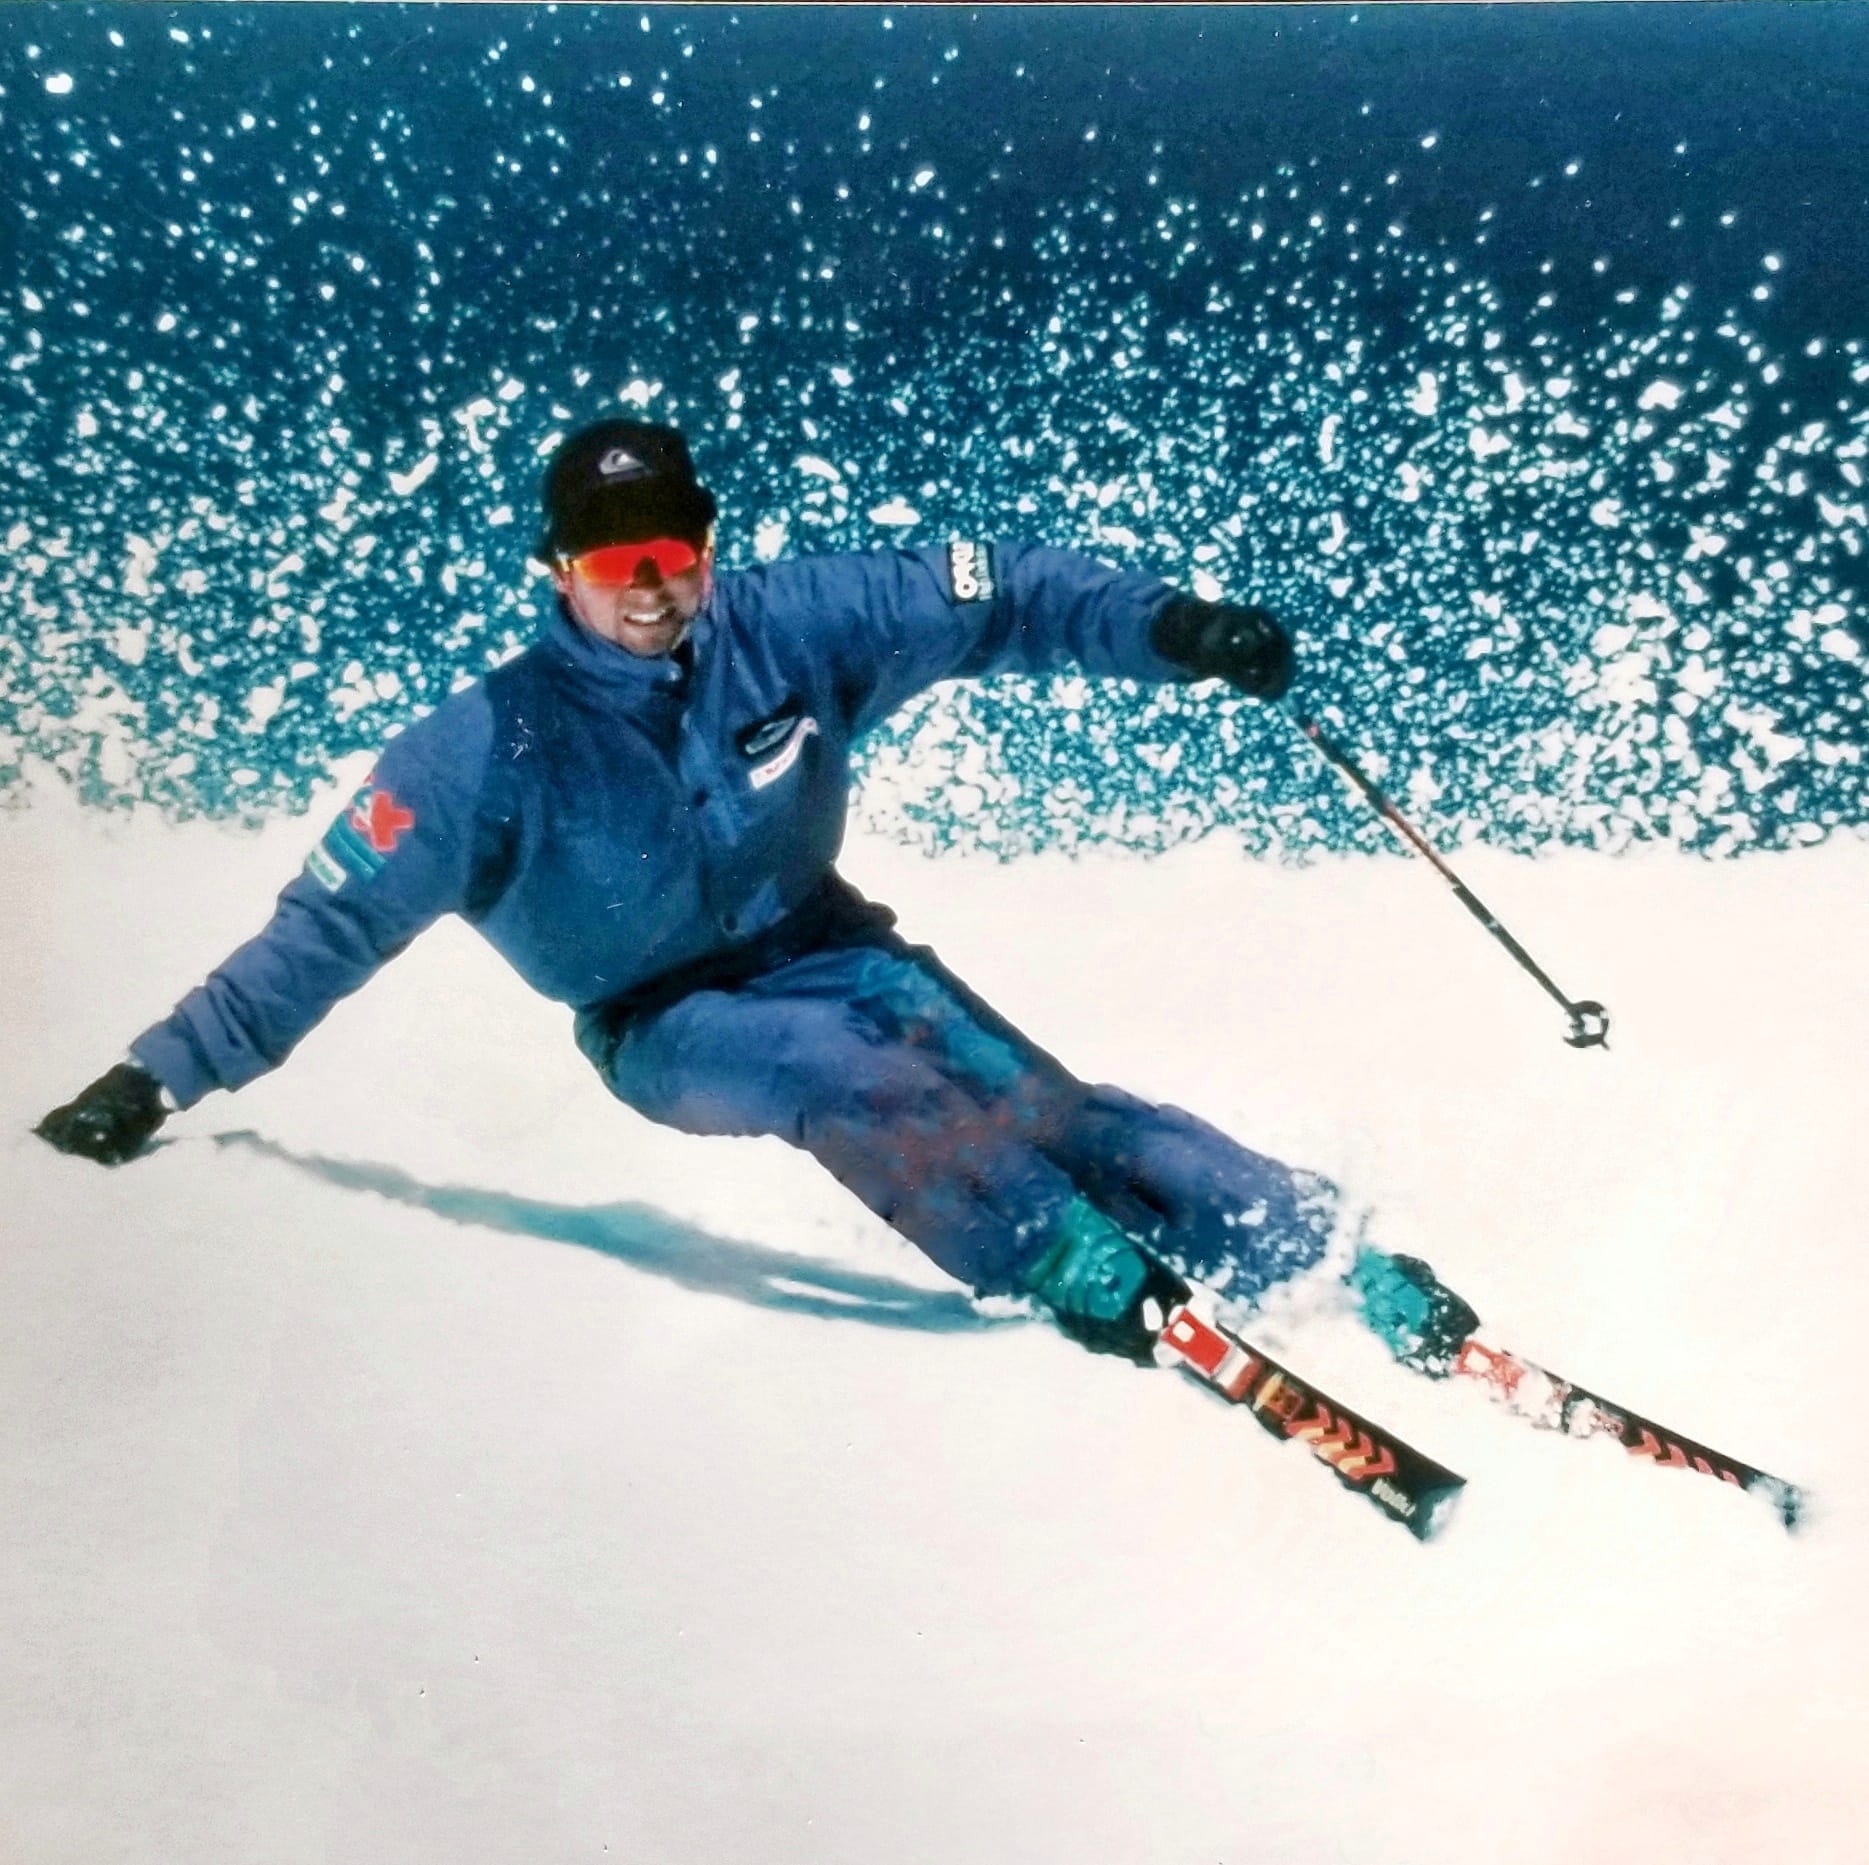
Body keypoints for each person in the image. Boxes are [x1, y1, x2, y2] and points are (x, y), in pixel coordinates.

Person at [34, 418, 1473, 1368]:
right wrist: (152, 1080)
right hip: (664, 1020)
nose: (650, 591)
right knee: (842, 1077)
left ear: (705, 552)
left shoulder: (785, 627)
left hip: (830, 945)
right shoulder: (482, 749)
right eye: (615, 564)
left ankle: (1330, 1261)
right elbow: (327, 928)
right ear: (557, 572)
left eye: (673, 557)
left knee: (1052, 1113)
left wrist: (1173, 630)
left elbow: (1006, 594)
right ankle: (1068, 1266)